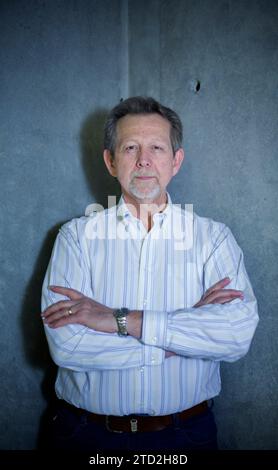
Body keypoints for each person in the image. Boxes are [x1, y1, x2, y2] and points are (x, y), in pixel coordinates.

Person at [41, 96, 259, 452]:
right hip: (86, 436)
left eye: (157, 147)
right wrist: (181, 338)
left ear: (176, 161)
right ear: (111, 161)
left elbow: (236, 336)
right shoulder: (75, 238)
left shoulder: (214, 238)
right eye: (130, 147)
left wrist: (118, 320)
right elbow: (68, 346)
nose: (144, 160)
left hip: (186, 436)